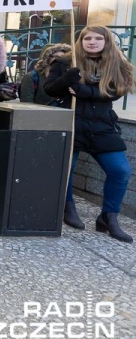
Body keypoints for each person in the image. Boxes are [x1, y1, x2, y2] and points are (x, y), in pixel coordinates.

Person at [45, 25, 135, 242]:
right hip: (71, 122)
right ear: (81, 40)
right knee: (66, 170)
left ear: (106, 41)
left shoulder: (116, 64)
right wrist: (67, 78)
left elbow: (115, 92)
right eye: (87, 38)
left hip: (102, 126)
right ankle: (68, 208)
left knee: (120, 171)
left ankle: (108, 217)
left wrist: (85, 91)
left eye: (97, 38)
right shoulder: (66, 62)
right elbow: (49, 89)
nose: (92, 42)